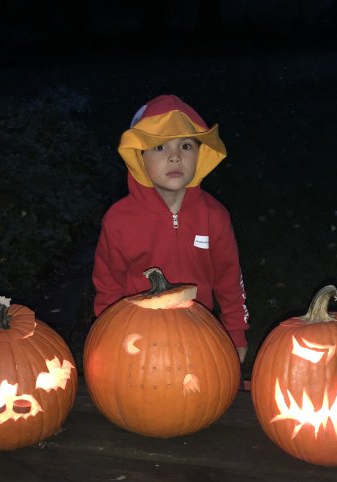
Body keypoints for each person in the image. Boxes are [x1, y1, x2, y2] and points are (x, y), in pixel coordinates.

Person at [92, 94, 249, 361]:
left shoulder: (214, 216)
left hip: (199, 329)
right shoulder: (118, 220)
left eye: (186, 146)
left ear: (200, 155)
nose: (175, 157)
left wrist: (235, 332)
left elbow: (229, 280)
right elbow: (108, 285)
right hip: (137, 335)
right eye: (160, 147)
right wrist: (108, 333)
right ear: (140, 157)